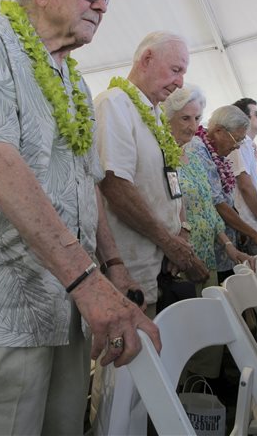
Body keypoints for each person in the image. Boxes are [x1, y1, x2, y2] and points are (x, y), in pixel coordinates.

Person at [0, 0, 160, 436]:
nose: (102, 5)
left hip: (71, 308)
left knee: (66, 426)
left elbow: (87, 183)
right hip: (11, 312)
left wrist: (112, 266)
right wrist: (90, 283)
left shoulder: (74, 81)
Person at [93, 31, 208, 317]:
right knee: (134, 358)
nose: (180, 81)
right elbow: (115, 186)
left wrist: (178, 236)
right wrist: (170, 244)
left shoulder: (154, 114)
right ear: (146, 59)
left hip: (158, 267)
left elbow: (164, 188)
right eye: (175, 70)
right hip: (131, 272)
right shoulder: (115, 104)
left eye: (183, 73)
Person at [164, 84, 255, 381]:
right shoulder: (164, 155)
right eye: (185, 119)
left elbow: (208, 207)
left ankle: (206, 402)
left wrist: (229, 245)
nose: (192, 126)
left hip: (208, 259)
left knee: (210, 340)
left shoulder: (192, 155)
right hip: (182, 262)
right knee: (189, 343)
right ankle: (192, 404)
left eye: (196, 119)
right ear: (166, 119)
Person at [191, 108, 257, 282]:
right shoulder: (199, 150)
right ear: (218, 130)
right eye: (236, 139)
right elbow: (218, 204)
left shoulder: (217, 154)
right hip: (211, 249)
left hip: (227, 246)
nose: (237, 146)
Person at [227, 98, 257, 255]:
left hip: (253, 219)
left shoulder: (248, 145)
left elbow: (252, 186)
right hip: (246, 222)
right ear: (244, 118)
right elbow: (245, 186)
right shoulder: (237, 144)